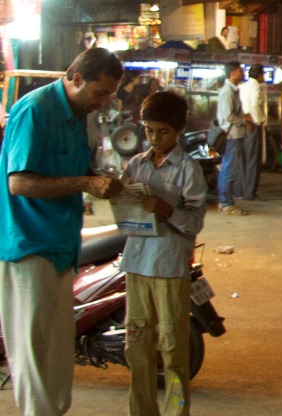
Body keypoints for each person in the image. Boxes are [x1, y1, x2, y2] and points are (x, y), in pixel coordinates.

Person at [0, 47, 125, 416]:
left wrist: (96, 179)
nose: (103, 102)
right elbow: (19, 183)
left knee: (56, 349)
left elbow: (76, 173)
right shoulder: (35, 111)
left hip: (61, 245)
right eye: (99, 93)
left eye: (108, 95)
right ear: (75, 79)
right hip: (28, 246)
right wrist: (85, 183)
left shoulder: (77, 115)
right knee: (33, 350)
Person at [119, 91, 207, 416]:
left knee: (172, 351)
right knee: (137, 349)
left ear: (179, 129)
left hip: (169, 267)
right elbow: (124, 209)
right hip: (137, 264)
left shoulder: (188, 169)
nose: (155, 138)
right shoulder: (136, 164)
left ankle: (176, 412)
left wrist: (167, 210)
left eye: (163, 131)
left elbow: (195, 221)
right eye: (149, 130)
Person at [215, 62, 248, 215]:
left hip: (235, 134)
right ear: (233, 73)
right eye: (240, 71)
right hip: (232, 134)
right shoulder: (228, 91)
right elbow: (228, 115)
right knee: (229, 168)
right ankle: (226, 203)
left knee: (228, 168)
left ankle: (225, 201)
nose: (243, 73)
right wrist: (243, 121)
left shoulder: (232, 90)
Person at [239, 64, 268, 201]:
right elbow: (255, 105)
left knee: (245, 158)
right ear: (259, 75)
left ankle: (244, 190)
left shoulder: (243, 87)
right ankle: (249, 192)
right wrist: (260, 119)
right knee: (253, 159)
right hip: (253, 124)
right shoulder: (256, 87)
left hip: (243, 124)